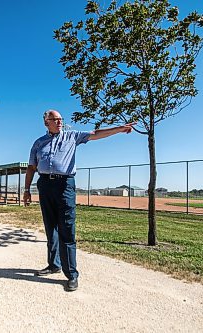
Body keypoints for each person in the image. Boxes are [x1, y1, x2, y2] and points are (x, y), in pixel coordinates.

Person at [23, 109, 134, 291]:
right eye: (55, 119)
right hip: (44, 185)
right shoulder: (38, 143)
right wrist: (27, 190)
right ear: (46, 122)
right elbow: (31, 167)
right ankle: (54, 265)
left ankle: (72, 274)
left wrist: (119, 129)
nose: (59, 122)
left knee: (67, 229)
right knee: (51, 228)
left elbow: (95, 133)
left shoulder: (72, 137)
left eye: (60, 119)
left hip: (65, 185)